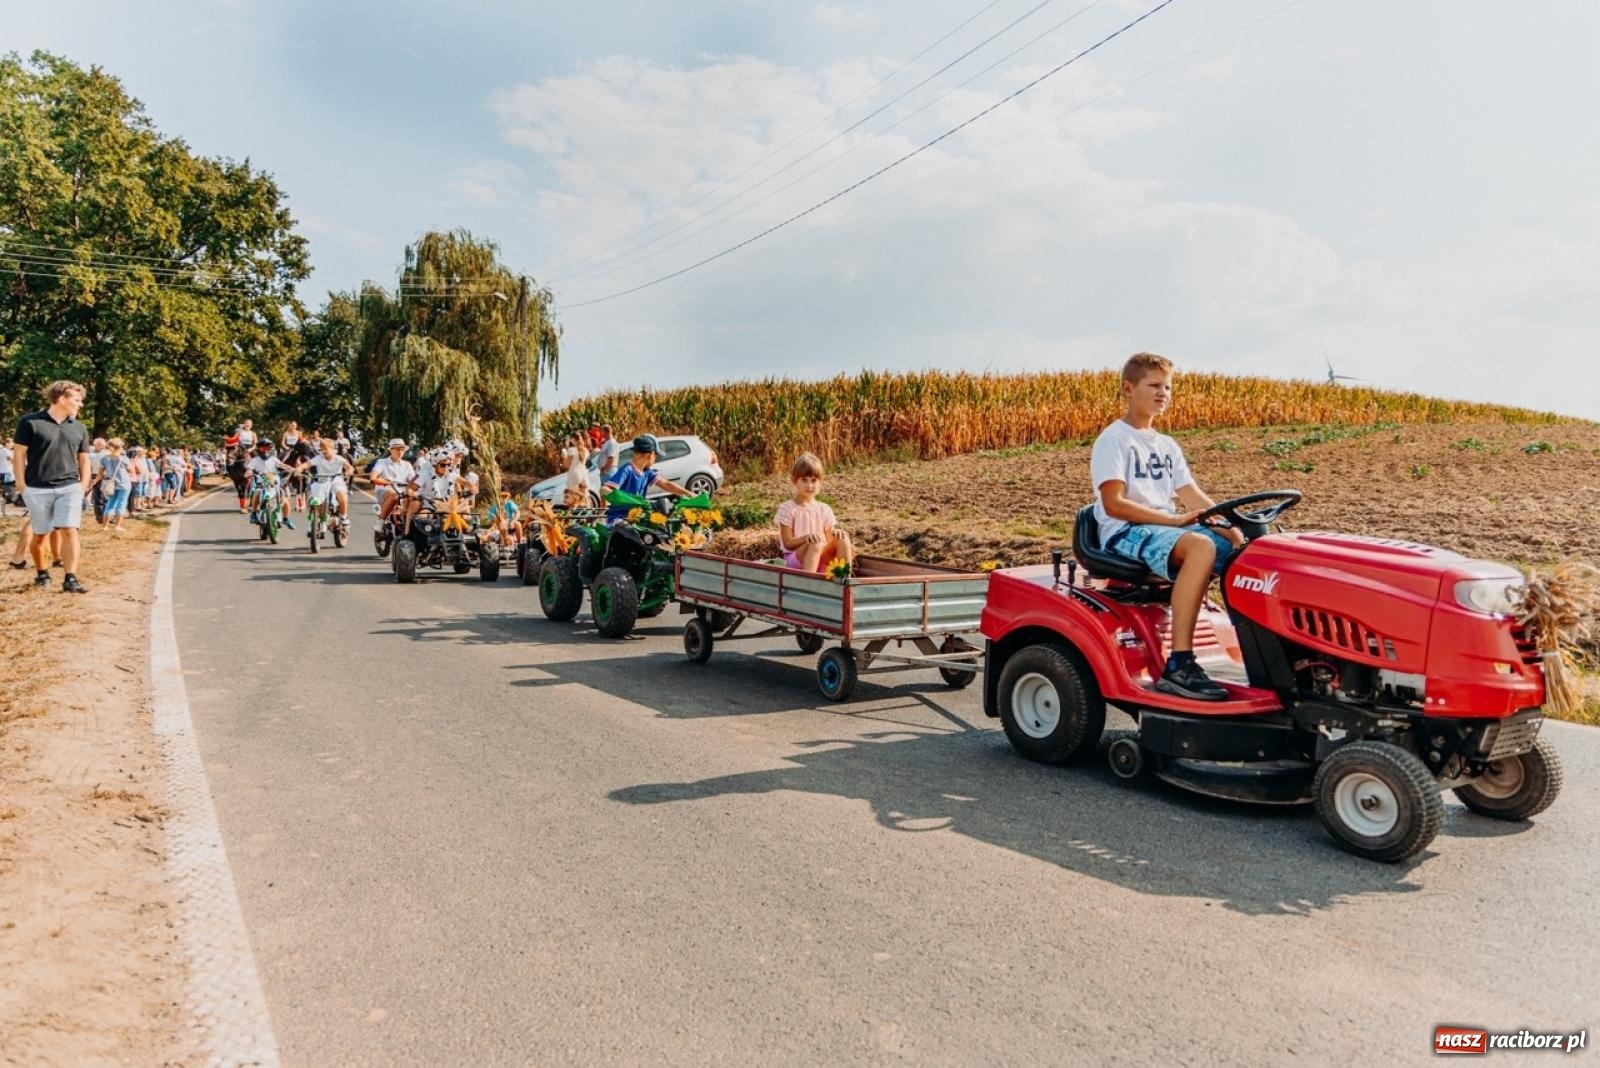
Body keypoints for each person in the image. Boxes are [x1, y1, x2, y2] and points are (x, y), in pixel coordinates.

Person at [1091, 352, 1244, 702]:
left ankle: (1265, 652)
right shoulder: (1114, 439)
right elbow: (1114, 504)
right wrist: (1174, 521)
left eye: (1168, 387)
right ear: (1128, 389)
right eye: (1154, 385)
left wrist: (1232, 528)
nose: (1163, 393)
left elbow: (1193, 497)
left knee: (1251, 551)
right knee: (1201, 546)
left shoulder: (1167, 445)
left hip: (1165, 531)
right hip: (1125, 532)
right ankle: (1179, 665)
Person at [12, 380, 92, 593]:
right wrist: (21, 484)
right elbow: (19, 454)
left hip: (70, 487)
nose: (81, 404)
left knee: (70, 530)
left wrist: (83, 484)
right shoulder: (29, 422)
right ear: (62, 398)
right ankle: (42, 573)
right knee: (40, 535)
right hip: (37, 487)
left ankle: (70, 579)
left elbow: (84, 458)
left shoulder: (79, 428)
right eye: (77, 400)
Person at [775, 452, 853, 573]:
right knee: (815, 544)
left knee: (843, 539)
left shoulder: (824, 509)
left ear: (820, 481)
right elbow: (787, 543)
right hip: (795, 561)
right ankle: (808, 582)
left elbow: (829, 538)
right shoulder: (787, 509)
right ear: (794, 480)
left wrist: (836, 533)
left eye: (814, 480)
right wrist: (806, 538)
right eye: (804, 480)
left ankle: (844, 580)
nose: (809, 485)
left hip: (821, 558)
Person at [602, 434, 692, 522]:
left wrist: (689, 494)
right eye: (655, 455)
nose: (655, 458)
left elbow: (666, 484)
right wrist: (629, 499)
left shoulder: (647, 472)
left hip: (636, 518)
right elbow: (604, 490)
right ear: (650, 455)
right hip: (619, 518)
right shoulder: (627, 470)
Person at [299, 436, 354, 530]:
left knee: (342, 495)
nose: (324, 451)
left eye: (326, 448)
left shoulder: (338, 458)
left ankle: (344, 517)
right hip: (321, 482)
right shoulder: (318, 458)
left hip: (336, 480)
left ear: (332, 449)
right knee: (314, 499)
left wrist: (349, 471)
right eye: (322, 449)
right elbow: (307, 464)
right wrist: (299, 468)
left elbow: (349, 467)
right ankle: (317, 518)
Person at [369, 439, 414, 527]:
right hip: (385, 490)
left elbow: (414, 480)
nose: (400, 452)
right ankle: (381, 520)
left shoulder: (407, 465)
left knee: (417, 500)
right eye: (397, 449)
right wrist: (386, 482)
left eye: (402, 449)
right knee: (394, 495)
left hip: (403, 492)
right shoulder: (382, 462)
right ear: (391, 450)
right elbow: (373, 477)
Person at [98, 438, 133, 534]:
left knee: (110, 504)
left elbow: (100, 473)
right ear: (120, 447)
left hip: (111, 484)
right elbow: (131, 471)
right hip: (124, 483)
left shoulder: (104, 458)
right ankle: (117, 526)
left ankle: (105, 526)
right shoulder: (124, 459)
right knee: (121, 505)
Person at [561, 431, 591, 509]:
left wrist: (564, 457)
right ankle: (586, 511)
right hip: (583, 474)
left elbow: (566, 465)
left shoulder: (572, 450)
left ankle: (572, 512)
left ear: (573, 439)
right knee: (582, 495)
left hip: (574, 473)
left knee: (572, 496)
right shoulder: (585, 450)